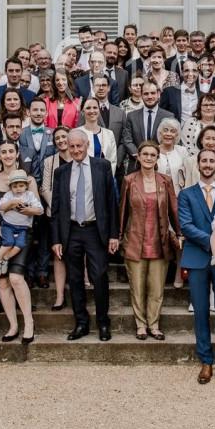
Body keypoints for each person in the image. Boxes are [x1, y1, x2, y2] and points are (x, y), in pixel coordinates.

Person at [49, 128, 119, 342]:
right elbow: (56, 208)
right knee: (75, 278)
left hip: (95, 229)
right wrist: (56, 239)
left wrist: (114, 234)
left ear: (87, 144)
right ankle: (81, 323)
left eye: (79, 145)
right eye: (72, 146)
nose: (76, 150)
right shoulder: (61, 172)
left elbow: (111, 203)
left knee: (99, 276)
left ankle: (103, 323)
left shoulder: (102, 167)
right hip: (71, 230)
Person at [178, 149, 215, 384]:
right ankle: (205, 360)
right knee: (200, 311)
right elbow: (186, 225)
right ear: (198, 164)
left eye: (212, 161)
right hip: (196, 257)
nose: (208, 164)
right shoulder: (186, 194)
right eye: (204, 161)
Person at [118, 141, 181, 340]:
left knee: (156, 288)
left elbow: (173, 210)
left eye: (152, 155)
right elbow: (122, 212)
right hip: (135, 240)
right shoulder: (129, 180)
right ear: (138, 156)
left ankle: (154, 325)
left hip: (159, 241)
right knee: (137, 287)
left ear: (157, 158)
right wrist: (119, 237)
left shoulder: (165, 181)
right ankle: (140, 325)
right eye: (144, 154)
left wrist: (179, 233)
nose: (148, 158)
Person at [0, 142, 37, 343]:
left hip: (22, 233)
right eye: (3, 152)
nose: (7, 155)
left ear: (17, 155)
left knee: (16, 278)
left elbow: (36, 208)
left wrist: (21, 209)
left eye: (11, 152)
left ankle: (29, 323)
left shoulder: (28, 179)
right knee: (3, 281)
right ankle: (13, 325)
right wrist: (5, 234)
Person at [38, 126, 73, 310]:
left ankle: (79, 287)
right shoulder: (50, 161)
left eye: (63, 136)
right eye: (57, 138)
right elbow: (44, 188)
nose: (60, 140)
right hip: (56, 214)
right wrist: (59, 208)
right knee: (58, 254)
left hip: (77, 214)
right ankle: (59, 296)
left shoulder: (78, 157)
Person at [0, 170, 43, 276]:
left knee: (20, 244)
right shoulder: (9, 195)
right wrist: (11, 203)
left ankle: (6, 258)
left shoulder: (29, 195)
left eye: (21, 185)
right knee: (8, 242)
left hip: (23, 228)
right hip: (8, 225)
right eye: (15, 186)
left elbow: (40, 210)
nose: (18, 189)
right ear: (11, 187)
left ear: (26, 186)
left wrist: (29, 210)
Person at [122, 82, 174, 173]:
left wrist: (154, 157)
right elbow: (127, 140)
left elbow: (170, 141)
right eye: (146, 93)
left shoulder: (169, 116)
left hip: (161, 164)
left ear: (158, 94)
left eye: (153, 93)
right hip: (136, 164)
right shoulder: (131, 116)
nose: (149, 97)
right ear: (141, 95)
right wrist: (141, 157)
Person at [77, 96, 118, 168]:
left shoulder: (109, 134)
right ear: (83, 111)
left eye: (95, 107)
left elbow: (113, 160)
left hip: (106, 176)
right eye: (88, 108)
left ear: (99, 110)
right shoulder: (76, 133)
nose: (92, 111)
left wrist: (108, 177)